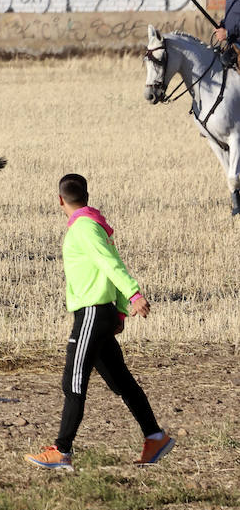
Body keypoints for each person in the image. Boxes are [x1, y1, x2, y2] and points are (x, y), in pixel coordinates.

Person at [25, 174, 174, 471]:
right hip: (100, 312)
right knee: (120, 380)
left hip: (92, 313)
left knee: (74, 379)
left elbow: (111, 264)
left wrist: (132, 295)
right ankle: (154, 436)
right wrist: (119, 311)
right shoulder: (91, 225)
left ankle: (62, 450)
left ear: (60, 200)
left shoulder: (83, 228)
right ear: (87, 195)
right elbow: (108, 263)